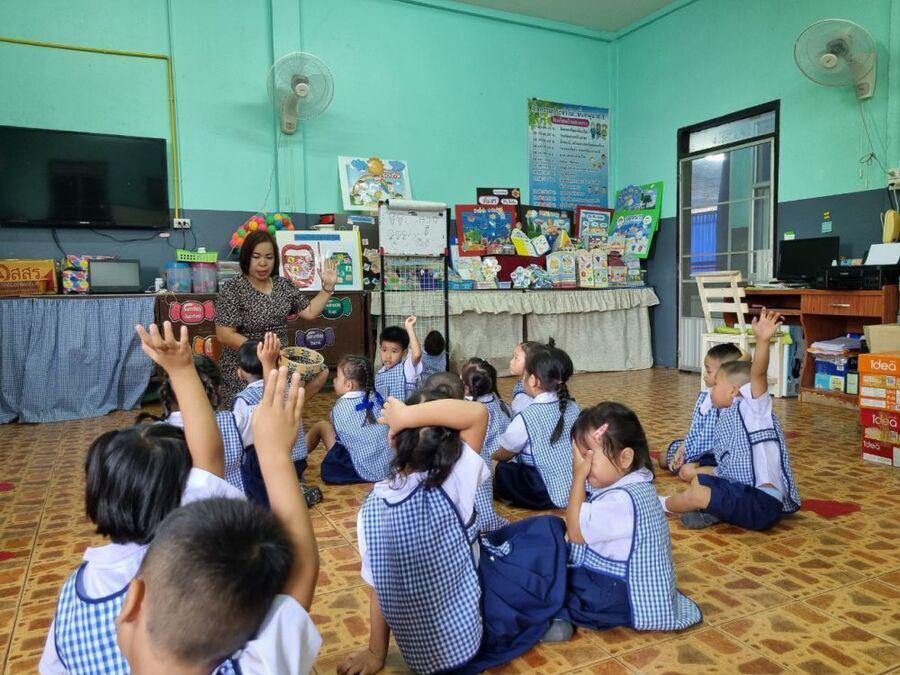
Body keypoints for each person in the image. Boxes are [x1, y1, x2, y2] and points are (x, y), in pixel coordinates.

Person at [40, 322, 245, 675]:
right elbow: (210, 458)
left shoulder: (74, 591)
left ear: (96, 500)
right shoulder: (195, 556)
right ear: (181, 492)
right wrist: (182, 369)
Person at [338, 394, 568, 675]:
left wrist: (376, 653)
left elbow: (379, 586)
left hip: (426, 652)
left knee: (495, 543)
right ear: (451, 448)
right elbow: (477, 414)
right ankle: (542, 619)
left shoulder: (370, 511)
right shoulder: (453, 478)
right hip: (476, 626)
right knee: (542, 532)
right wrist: (407, 415)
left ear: (393, 440)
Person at [116, 366, 322, 674]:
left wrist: (180, 369)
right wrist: (276, 455)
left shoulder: (83, 623)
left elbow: (208, 466)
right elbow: (302, 567)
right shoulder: (261, 667)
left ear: (131, 602)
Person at [560, 402, 702, 632]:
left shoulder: (621, 502)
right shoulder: (637, 484)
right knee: (552, 537)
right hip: (626, 590)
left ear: (625, 458)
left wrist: (578, 478)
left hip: (620, 597)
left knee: (552, 574)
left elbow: (575, 533)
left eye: (588, 457)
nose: (582, 465)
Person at [660, 309, 802, 530]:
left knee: (698, 494)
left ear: (734, 391)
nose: (711, 388)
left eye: (716, 384)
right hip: (740, 490)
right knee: (699, 481)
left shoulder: (754, 409)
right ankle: (714, 511)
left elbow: (757, 373)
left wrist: (762, 340)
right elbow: (728, 467)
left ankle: (658, 505)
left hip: (761, 502)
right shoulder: (728, 415)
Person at [215, 229, 335, 407]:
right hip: (247, 364)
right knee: (257, 403)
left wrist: (327, 288)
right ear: (246, 257)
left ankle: (288, 410)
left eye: (269, 257)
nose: (263, 263)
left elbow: (309, 311)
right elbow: (224, 334)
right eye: (256, 257)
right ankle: (279, 411)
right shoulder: (232, 289)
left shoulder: (283, 285)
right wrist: (264, 352)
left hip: (280, 359)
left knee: (321, 372)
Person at [233, 332, 320, 507]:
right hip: (298, 461)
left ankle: (274, 494)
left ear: (240, 373)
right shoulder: (287, 388)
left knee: (248, 464)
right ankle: (297, 486)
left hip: (265, 463)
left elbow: (241, 438)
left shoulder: (243, 399)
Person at [139, 354, 249, 492]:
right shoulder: (236, 420)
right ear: (217, 389)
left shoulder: (152, 435)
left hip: (181, 504)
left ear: (168, 391)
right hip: (232, 502)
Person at [493, 346, 581, 510]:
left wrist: (490, 457)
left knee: (501, 469)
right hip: (577, 485)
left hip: (542, 490)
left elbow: (504, 453)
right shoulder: (574, 407)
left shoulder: (526, 417)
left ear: (533, 380)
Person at [424, 368, 509, 533]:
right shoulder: (475, 439)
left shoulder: (429, 446)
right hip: (486, 521)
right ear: (464, 395)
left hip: (455, 531)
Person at [661, 343, 743, 481]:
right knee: (663, 458)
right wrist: (682, 449)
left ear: (725, 374)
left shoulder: (730, 401)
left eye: (708, 371)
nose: (704, 374)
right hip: (695, 448)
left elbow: (746, 359)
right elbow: (695, 430)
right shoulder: (705, 396)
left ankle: (724, 474)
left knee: (686, 472)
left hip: (715, 456)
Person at [306, 354, 392, 484]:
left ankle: (295, 458)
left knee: (321, 426)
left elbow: (341, 437)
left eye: (337, 377)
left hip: (356, 470)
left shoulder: (340, 407)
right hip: (386, 467)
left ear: (348, 385)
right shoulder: (376, 397)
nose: (334, 380)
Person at [374, 316, 422, 402]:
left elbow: (417, 354)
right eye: (384, 350)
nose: (388, 356)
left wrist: (409, 327)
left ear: (404, 353)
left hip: (408, 410)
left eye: (394, 351)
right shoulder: (379, 374)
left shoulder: (406, 368)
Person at [508, 340, 545, 414]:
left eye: (516, 358)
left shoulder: (522, 402)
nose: (510, 362)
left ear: (530, 364)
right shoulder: (521, 386)